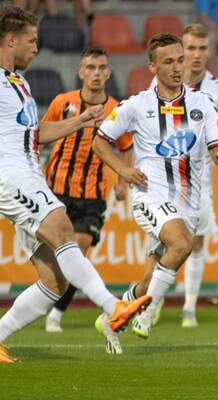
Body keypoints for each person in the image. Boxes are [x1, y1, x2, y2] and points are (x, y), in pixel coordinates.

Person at [0, 5, 150, 362]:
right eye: (31, 41)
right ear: (10, 41)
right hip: (10, 175)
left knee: (55, 280)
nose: (37, 48)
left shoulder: (19, 83)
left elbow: (35, 133)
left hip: (29, 173)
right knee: (64, 228)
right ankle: (113, 307)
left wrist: (80, 121)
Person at [93, 32, 218, 340]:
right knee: (182, 244)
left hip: (189, 201)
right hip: (150, 195)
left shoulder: (203, 104)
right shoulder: (136, 105)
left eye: (180, 60)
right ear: (152, 67)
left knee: (151, 277)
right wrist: (123, 170)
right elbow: (100, 141)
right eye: (168, 62)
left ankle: (116, 311)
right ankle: (146, 315)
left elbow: (217, 147)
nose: (177, 67)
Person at [42, 46, 133, 333]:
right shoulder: (62, 103)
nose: (96, 73)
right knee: (52, 258)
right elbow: (41, 134)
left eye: (101, 68)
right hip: (56, 191)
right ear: (80, 72)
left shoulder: (116, 110)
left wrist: (122, 181)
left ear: (108, 73)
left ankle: (56, 314)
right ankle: (43, 302)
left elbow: (126, 147)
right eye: (90, 67)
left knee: (78, 252)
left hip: (92, 195)